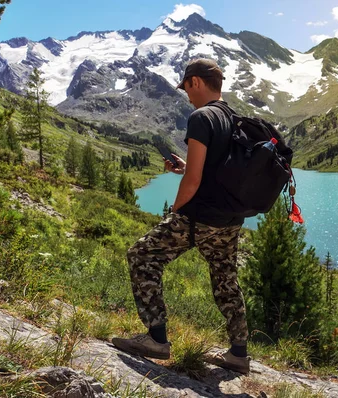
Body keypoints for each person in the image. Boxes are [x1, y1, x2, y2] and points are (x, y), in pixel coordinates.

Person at [112, 58, 250, 374]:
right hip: (229, 220)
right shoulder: (233, 117)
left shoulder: (201, 117)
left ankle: (156, 339)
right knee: (226, 278)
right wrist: (185, 168)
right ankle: (239, 354)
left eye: (186, 87)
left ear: (196, 82)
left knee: (142, 256)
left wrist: (177, 212)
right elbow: (217, 172)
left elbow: (195, 180)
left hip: (199, 217)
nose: (186, 95)